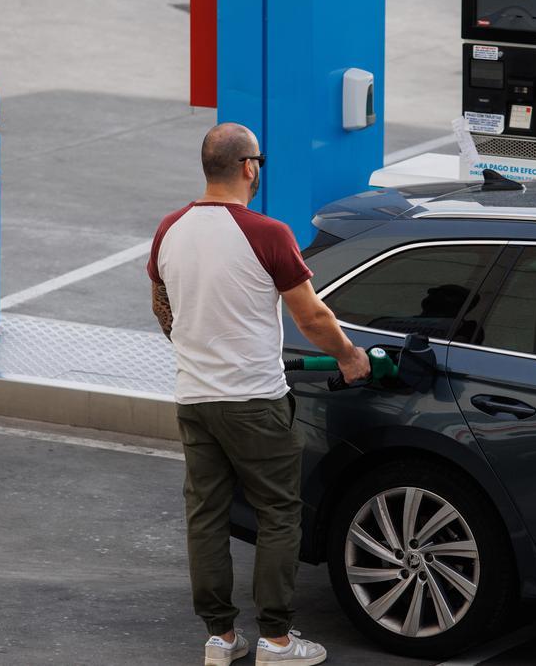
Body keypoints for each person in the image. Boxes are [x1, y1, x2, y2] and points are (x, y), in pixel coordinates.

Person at [148, 122, 370, 666]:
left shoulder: (169, 230)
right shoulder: (267, 233)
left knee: (206, 515)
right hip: (253, 399)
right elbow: (312, 315)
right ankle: (275, 638)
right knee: (277, 512)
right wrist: (349, 355)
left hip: (194, 398)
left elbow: (161, 305)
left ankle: (220, 638)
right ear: (249, 167)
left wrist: (195, 348)